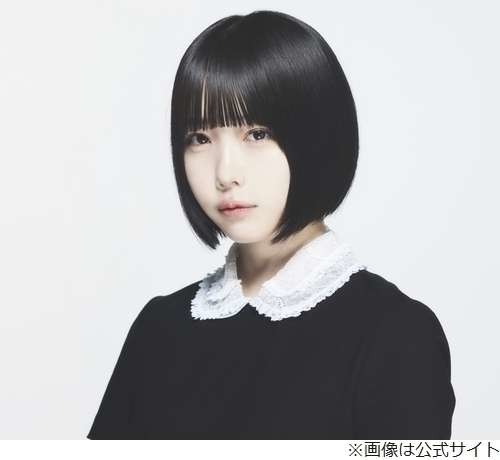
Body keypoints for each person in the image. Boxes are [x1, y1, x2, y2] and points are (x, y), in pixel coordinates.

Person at [87, 10, 456, 440]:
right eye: (200, 139)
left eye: (257, 134)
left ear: (319, 135)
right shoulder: (159, 328)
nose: (226, 173)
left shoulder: (395, 333)